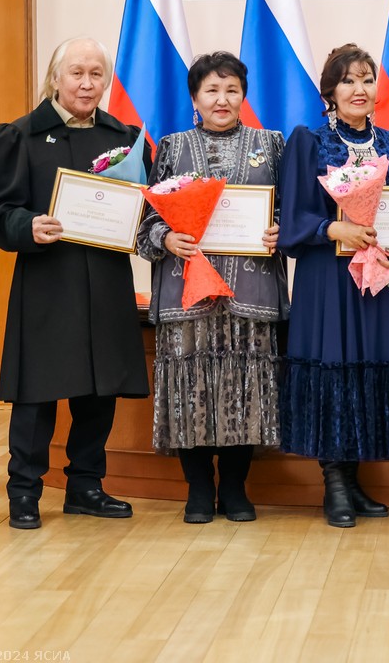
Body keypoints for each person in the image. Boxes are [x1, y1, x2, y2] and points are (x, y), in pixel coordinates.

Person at [0, 37, 149, 530]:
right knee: (38, 392)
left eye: (96, 73)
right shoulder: (18, 136)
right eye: (77, 72)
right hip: (47, 283)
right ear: (55, 78)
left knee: (100, 391)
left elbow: (145, 207)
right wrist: (26, 226)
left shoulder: (127, 139)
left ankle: (86, 487)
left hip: (107, 282)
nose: (87, 83)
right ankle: (25, 492)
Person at [137, 52, 287, 524]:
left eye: (232, 91)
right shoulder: (171, 147)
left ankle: (237, 490)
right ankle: (199, 490)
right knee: (188, 388)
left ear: (244, 95)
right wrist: (167, 237)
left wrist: (280, 229)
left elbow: (296, 213)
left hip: (252, 293)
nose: (222, 100)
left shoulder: (273, 144)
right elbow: (143, 226)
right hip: (188, 293)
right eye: (211, 91)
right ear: (194, 98)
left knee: (247, 389)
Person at [278, 43, 389, 528]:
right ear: (329, 92)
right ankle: (333, 482)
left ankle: (355, 481)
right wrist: (331, 229)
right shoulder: (308, 141)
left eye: (367, 79)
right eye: (348, 80)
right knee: (334, 366)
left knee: (367, 367)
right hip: (328, 280)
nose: (359, 89)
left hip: (379, 280)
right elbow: (292, 215)